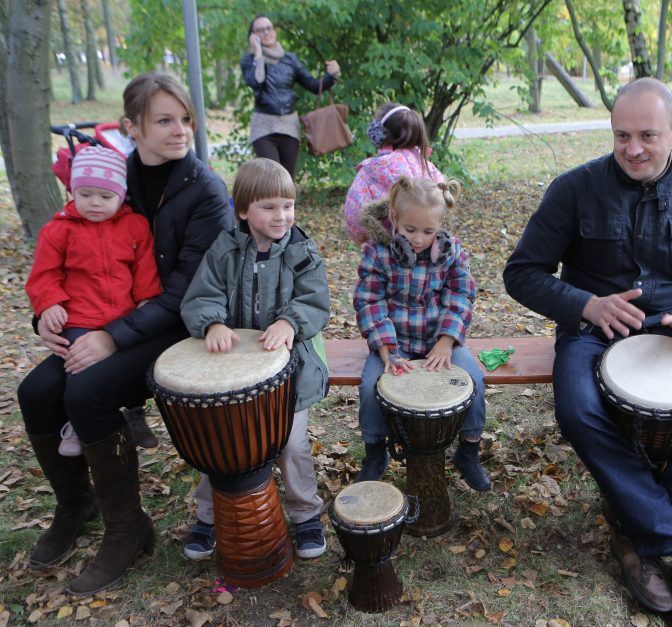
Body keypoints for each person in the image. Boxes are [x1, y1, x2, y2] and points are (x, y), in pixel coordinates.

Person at [503, 78, 672, 627]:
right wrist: (585, 304)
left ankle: (636, 523)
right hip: (591, 331)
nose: (633, 148)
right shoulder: (573, 189)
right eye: (622, 135)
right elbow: (521, 273)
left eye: (648, 135)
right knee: (577, 410)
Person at [17, 72, 232, 595]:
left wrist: (112, 338)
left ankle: (128, 528)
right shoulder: (110, 175)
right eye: (164, 120)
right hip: (105, 319)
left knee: (87, 391)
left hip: (182, 327)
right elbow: (66, 257)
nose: (180, 130)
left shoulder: (205, 191)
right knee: (37, 391)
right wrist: (52, 317)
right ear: (131, 127)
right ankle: (76, 505)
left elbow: (186, 291)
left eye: (184, 118)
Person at [179, 158, 330, 560]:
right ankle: (209, 517)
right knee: (222, 444)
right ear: (243, 210)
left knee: (292, 445)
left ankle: (305, 514)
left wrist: (290, 322)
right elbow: (202, 294)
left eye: (287, 205)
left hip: (290, 372)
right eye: (269, 207)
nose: (281, 215)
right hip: (233, 374)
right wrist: (211, 323)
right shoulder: (224, 250)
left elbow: (315, 301)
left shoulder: (301, 252)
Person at [353, 175, 490, 492]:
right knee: (369, 386)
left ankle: (468, 451)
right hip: (393, 343)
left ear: (441, 225)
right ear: (394, 218)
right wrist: (386, 349)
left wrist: (446, 341)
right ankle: (375, 452)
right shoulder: (378, 254)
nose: (418, 239)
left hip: (438, 342)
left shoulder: (452, 253)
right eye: (409, 230)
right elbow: (370, 302)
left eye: (428, 231)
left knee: (475, 382)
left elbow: (461, 296)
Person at [25, 147, 162, 458]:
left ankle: (134, 413)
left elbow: (144, 268)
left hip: (122, 319)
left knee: (121, 367)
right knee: (80, 363)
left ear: (121, 195)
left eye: (105, 196)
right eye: (85, 194)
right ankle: (76, 421)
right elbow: (43, 274)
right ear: (73, 191)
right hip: (79, 318)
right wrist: (49, 303)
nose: (95, 203)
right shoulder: (59, 230)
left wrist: (146, 301)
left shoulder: (135, 227)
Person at [241, 14, 341, 179]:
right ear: (253, 36)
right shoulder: (249, 60)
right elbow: (256, 82)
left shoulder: (290, 60)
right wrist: (258, 55)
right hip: (263, 126)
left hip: (288, 125)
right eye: (260, 30)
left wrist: (333, 74)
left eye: (269, 28)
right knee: (271, 178)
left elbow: (314, 86)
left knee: (287, 180)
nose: (266, 32)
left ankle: (288, 206)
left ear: (274, 31)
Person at [344, 102, 445, 244]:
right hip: (427, 253)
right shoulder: (430, 169)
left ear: (378, 135)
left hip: (382, 257)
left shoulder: (369, 172)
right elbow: (443, 208)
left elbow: (355, 221)